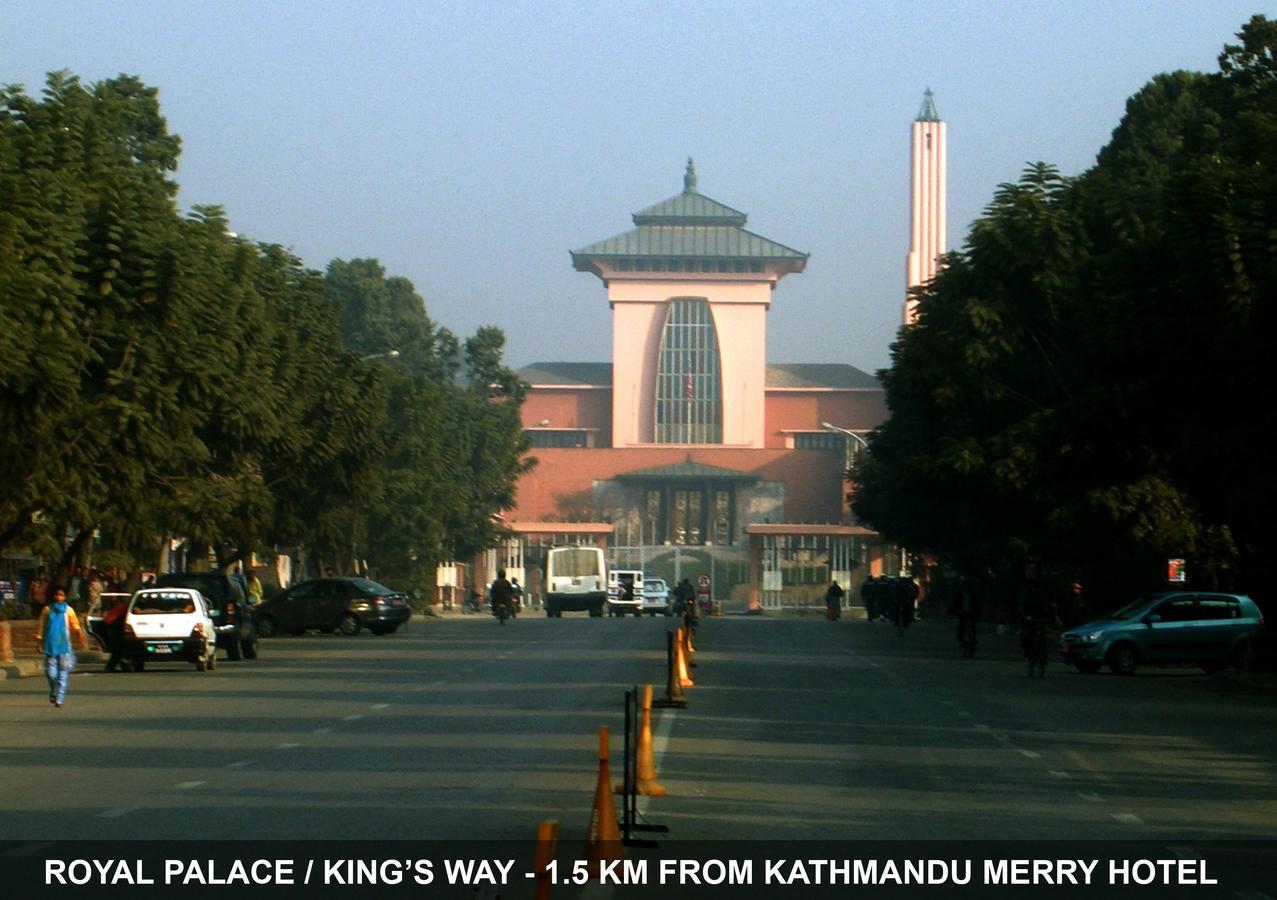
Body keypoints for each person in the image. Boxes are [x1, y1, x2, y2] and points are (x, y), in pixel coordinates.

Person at [36, 586, 82, 708]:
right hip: (50, 646)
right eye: (57, 594)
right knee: (51, 674)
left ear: (65, 597)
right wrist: (39, 641)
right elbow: (41, 627)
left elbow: (75, 625)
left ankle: (59, 699)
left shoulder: (69, 611)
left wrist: (79, 633)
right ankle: (53, 691)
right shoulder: (47, 610)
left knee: (62, 673)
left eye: (61, 595)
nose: (58, 597)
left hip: (64, 646)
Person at [103, 594, 130, 672]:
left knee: (118, 649)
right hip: (113, 627)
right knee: (117, 649)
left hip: (110, 626)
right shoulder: (125, 608)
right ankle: (110, 667)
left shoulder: (121, 607)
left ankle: (120, 666)